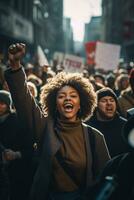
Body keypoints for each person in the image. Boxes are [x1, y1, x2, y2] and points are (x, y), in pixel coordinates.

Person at [4, 43, 110, 200]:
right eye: (61, 96)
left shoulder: (95, 137)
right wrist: (15, 66)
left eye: (73, 95)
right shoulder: (45, 127)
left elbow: (105, 180)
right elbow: (25, 102)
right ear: (55, 103)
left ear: (82, 103)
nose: (67, 98)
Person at [0, 90, 34, 200]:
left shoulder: (18, 121)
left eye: (2, 103)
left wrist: (16, 154)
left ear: (8, 105)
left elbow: (30, 147)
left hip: (16, 172)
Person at [86, 87, 128, 158]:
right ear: (96, 105)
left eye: (112, 100)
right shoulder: (88, 127)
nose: (109, 103)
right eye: (104, 101)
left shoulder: (125, 126)